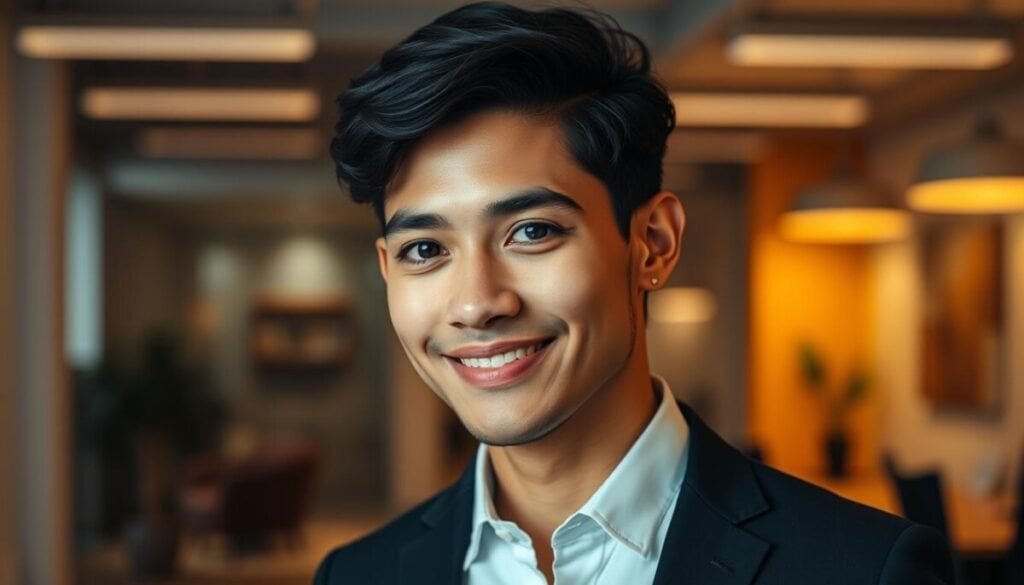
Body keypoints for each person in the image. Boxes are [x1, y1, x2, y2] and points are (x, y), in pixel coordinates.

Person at [314, 3, 954, 584]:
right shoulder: (355, 575)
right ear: (387, 269)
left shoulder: (864, 571)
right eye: (425, 250)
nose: (477, 303)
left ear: (653, 243)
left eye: (531, 232)